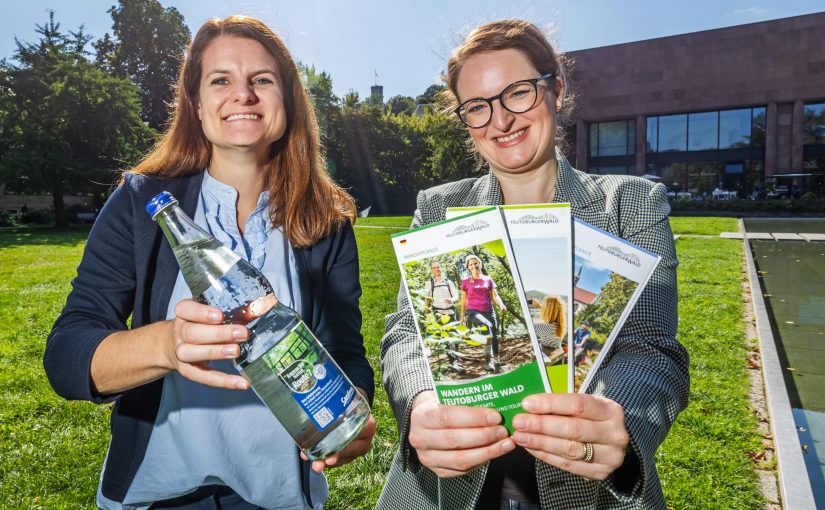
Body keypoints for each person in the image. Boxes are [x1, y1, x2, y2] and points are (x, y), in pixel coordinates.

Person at [43, 16, 375, 510]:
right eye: (221, 80)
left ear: (288, 100)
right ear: (196, 106)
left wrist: (354, 415)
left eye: (262, 80)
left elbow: (345, 352)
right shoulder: (142, 203)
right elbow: (67, 359)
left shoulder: (325, 222)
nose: (242, 94)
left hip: (279, 496)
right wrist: (166, 343)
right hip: (160, 495)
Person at [378, 19, 687, 510]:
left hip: (586, 491)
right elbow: (406, 334)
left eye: (517, 93)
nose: (500, 121)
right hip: (452, 489)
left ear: (555, 91)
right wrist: (421, 402)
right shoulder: (437, 208)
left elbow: (651, 349)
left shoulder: (632, 205)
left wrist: (620, 421)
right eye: (477, 107)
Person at [459, 254, 507, 372]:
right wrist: (462, 315)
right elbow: (464, 299)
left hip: (489, 311)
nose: (474, 265)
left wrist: (501, 304)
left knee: (494, 337)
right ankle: (487, 361)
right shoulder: (466, 281)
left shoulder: (488, 279)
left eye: (476, 263)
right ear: (468, 268)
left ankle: (496, 362)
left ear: (480, 264)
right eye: (471, 264)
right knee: (486, 326)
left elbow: (495, 296)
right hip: (473, 311)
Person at [531, 296, 566, 360]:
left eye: (544, 305)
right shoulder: (560, 322)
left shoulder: (547, 327)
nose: (543, 307)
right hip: (557, 351)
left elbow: (528, 321)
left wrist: (529, 303)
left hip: (547, 354)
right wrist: (539, 306)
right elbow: (553, 312)